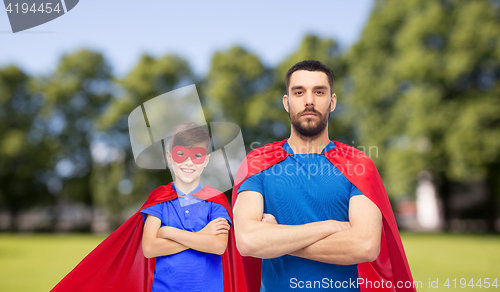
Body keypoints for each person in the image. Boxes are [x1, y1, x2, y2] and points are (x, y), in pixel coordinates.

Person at [232, 60, 415, 292]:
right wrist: (329, 226)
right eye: (299, 92)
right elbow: (247, 241)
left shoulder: (358, 165)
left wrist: (276, 240)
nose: (309, 100)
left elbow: (365, 245)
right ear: (287, 103)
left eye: (319, 91)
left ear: (332, 101)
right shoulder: (257, 163)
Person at [51, 121, 245, 292]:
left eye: (197, 155)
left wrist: (169, 232)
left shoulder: (216, 199)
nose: (189, 162)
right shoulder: (160, 198)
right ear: (169, 157)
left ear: (206, 160)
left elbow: (219, 245)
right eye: (181, 154)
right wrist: (202, 235)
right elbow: (150, 247)